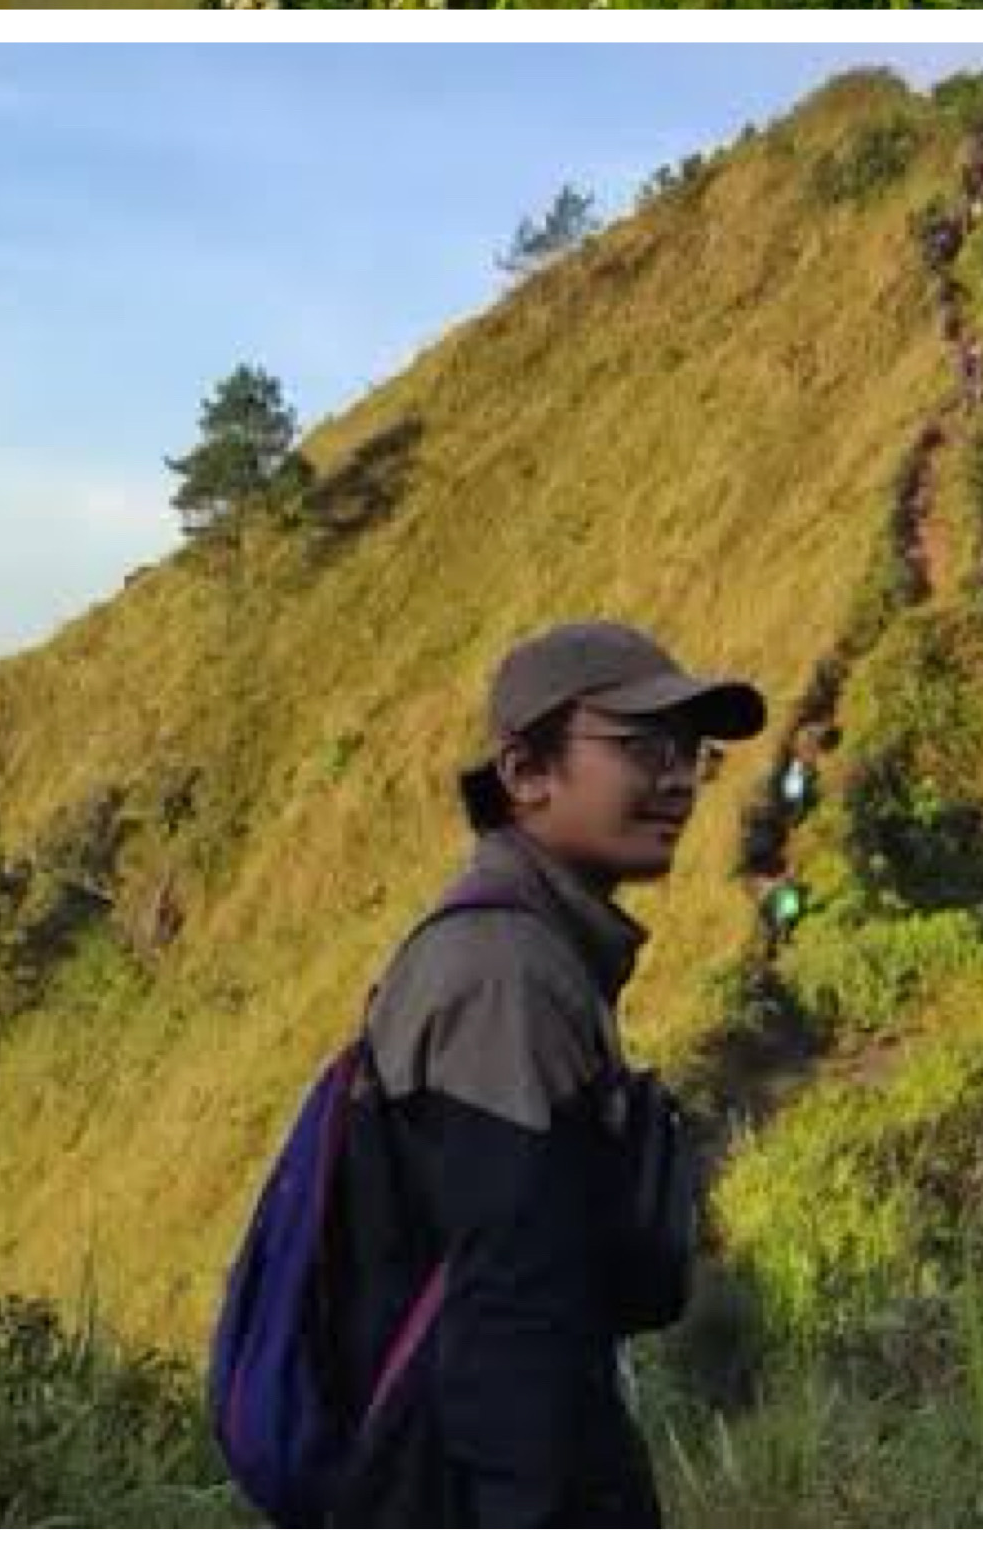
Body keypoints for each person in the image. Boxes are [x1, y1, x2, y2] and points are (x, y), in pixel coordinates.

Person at [324, 618, 767, 1525]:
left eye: (692, 751)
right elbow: (514, 1323)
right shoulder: (504, 977)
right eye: (644, 747)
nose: (680, 778)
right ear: (525, 773)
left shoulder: (539, 950)